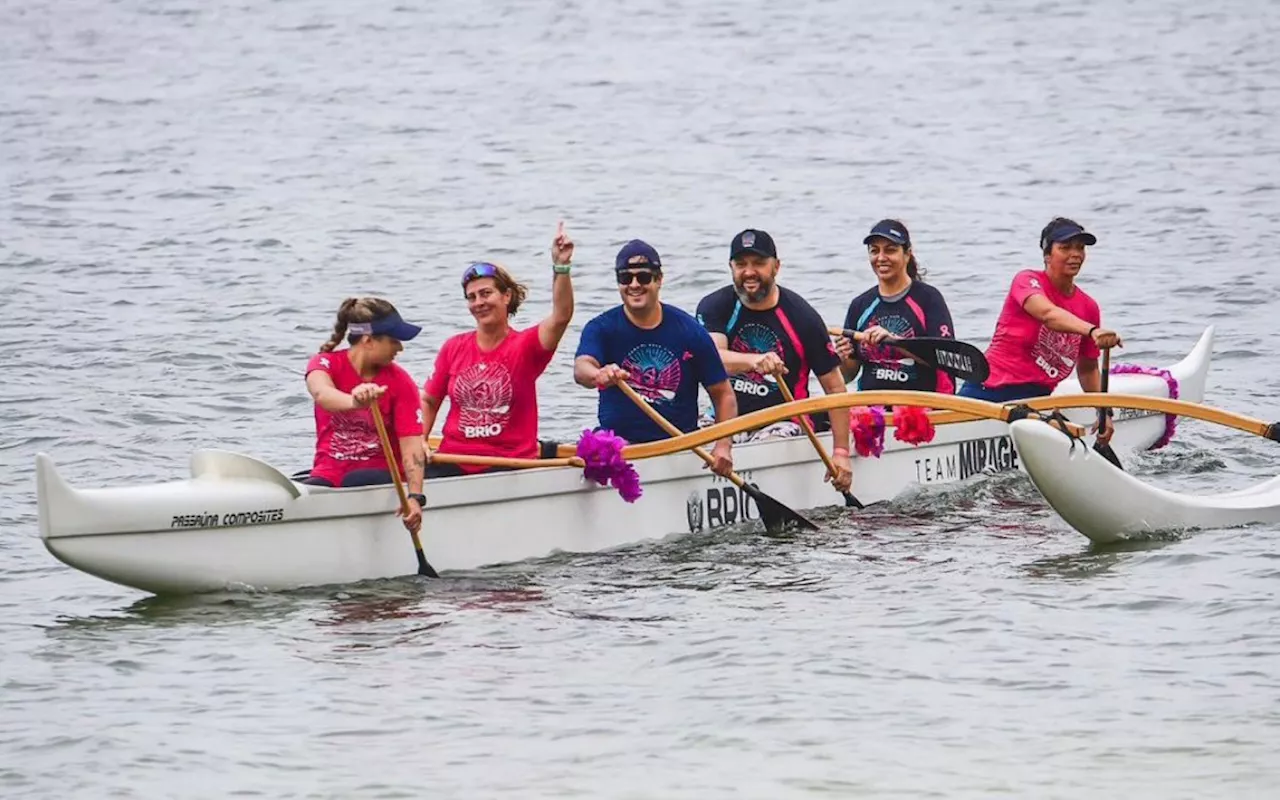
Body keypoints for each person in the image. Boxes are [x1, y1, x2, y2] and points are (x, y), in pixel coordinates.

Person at [695, 228, 853, 492]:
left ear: (776, 267)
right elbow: (713, 359)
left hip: (784, 421)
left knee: (766, 442)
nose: (749, 272)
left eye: (758, 263)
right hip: (726, 418)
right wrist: (754, 361)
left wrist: (841, 453)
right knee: (690, 436)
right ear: (731, 267)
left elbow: (835, 388)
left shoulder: (802, 317)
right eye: (741, 264)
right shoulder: (714, 306)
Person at [420, 223, 576, 477]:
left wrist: (561, 267)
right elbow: (428, 400)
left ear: (506, 297)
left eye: (486, 293)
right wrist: (421, 440)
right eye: (472, 297)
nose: (479, 302)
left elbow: (561, 316)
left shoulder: (526, 346)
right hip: (454, 459)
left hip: (508, 465)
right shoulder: (453, 347)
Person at [573, 239, 737, 477]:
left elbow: (723, 394)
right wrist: (598, 374)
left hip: (678, 445)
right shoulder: (601, 328)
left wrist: (723, 445)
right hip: (620, 444)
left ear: (659, 280)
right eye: (625, 278)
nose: (634, 285)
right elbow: (581, 368)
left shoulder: (689, 331)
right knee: (592, 449)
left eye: (644, 277)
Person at [956, 217, 1123, 442]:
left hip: (1036, 400)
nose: (1075, 254)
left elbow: (1088, 369)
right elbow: (1048, 315)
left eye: (1080, 248)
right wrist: (1092, 331)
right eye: (1065, 248)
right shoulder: (1027, 280)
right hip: (987, 390)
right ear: (1047, 255)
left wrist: (1104, 412)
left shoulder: (1088, 306)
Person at [304, 297, 426, 534]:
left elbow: (411, 445)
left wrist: (415, 497)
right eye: (394, 341)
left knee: (355, 480)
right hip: (329, 473)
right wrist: (355, 401)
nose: (400, 348)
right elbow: (321, 393)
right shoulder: (324, 363)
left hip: (379, 476)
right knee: (304, 490)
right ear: (368, 341)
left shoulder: (400, 382)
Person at [836, 219, 957, 395]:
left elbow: (947, 358)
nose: (881, 258)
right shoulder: (860, 305)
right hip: (872, 411)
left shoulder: (929, 299)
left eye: (890, 250)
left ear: (907, 254)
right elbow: (848, 376)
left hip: (922, 407)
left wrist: (896, 342)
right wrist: (843, 358)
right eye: (874, 251)